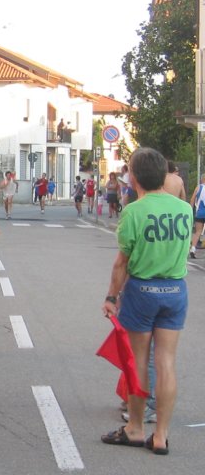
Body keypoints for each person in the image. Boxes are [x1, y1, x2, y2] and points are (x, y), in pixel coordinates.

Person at [100, 147, 192, 456]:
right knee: (166, 362)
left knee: (137, 361)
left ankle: (136, 428)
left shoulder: (134, 212)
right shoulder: (184, 209)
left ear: (134, 177)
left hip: (142, 290)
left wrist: (111, 297)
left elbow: (121, 263)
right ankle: (161, 435)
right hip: (175, 290)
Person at [188, 173, 205, 259]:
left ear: (202, 179)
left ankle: (193, 249)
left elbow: (192, 199)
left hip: (199, 213)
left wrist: (190, 210)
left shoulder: (198, 187)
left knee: (198, 232)